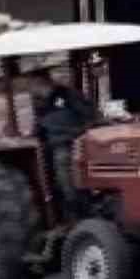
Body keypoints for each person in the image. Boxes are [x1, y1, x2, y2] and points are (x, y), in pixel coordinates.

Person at [36, 77, 98, 216]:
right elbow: (39, 127)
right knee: (64, 183)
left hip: (72, 143)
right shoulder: (42, 104)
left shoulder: (67, 94)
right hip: (56, 146)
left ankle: (84, 213)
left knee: (72, 182)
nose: (34, 90)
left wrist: (81, 133)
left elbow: (89, 114)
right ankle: (73, 212)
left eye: (35, 85)